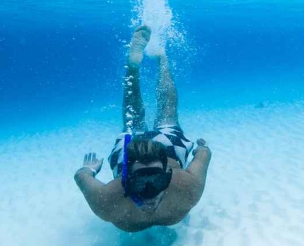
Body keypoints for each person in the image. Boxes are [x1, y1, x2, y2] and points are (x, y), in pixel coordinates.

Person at [74, 26, 212, 232]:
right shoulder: (188, 189)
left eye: (157, 180)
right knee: (166, 116)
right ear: (126, 179)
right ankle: (156, 61)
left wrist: (89, 170)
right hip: (162, 148)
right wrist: (200, 149)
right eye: (139, 183)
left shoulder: (107, 204)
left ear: (169, 174)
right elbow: (203, 156)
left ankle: (137, 65)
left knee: (135, 122)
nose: (149, 192)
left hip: (154, 150)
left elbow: (81, 176)